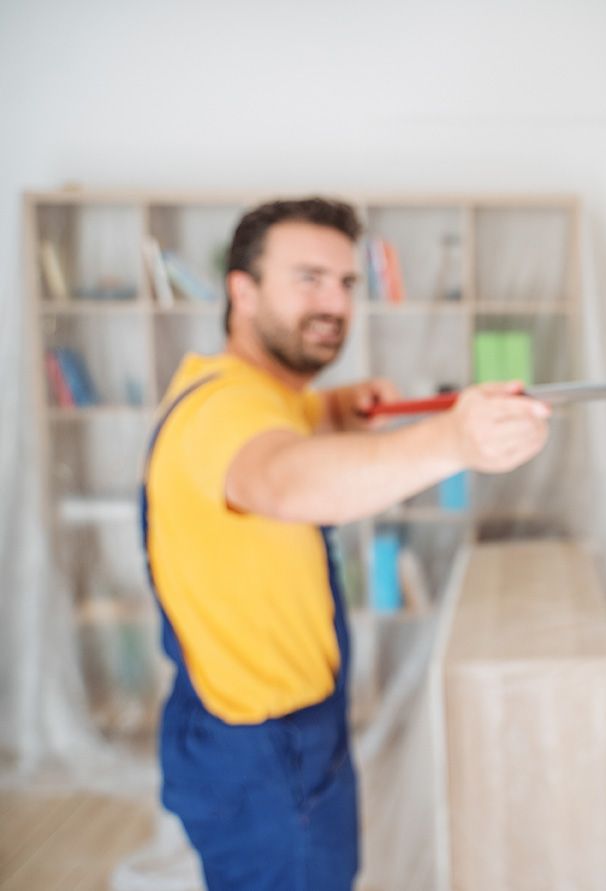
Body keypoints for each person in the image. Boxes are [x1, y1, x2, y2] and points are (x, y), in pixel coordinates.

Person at [140, 197, 551, 889]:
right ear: (242, 289)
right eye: (308, 278)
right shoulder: (225, 409)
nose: (334, 302)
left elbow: (294, 426)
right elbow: (281, 478)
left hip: (258, 727)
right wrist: (453, 439)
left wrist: (336, 406)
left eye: (347, 282)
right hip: (265, 747)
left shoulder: (260, 392)